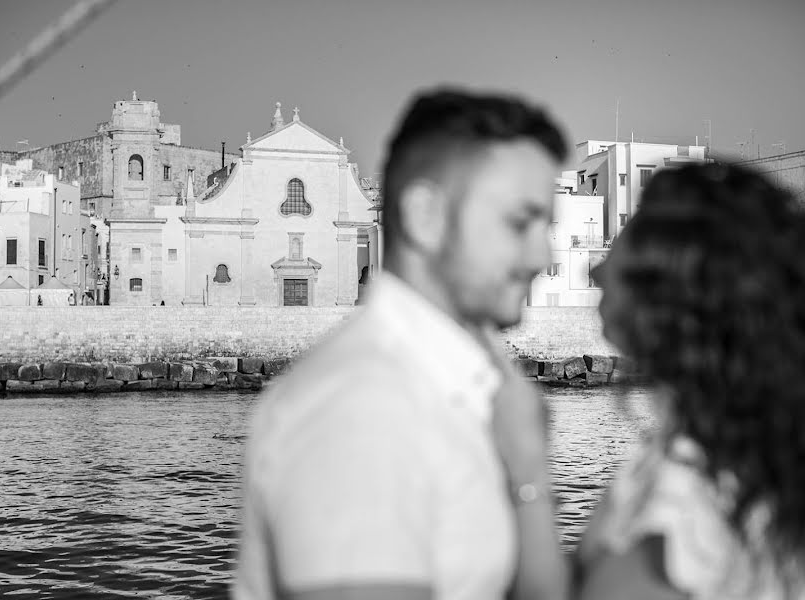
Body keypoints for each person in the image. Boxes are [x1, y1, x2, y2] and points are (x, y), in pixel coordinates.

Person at [233, 89, 571, 600]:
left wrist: (527, 475)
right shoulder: (362, 414)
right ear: (425, 216)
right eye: (520, 223)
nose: (542, 254)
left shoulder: (444, 387)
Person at [570, 164, 805, 599]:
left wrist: (527, 475)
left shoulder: (683, 508)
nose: (596, 270)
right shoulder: (789, 477)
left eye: (628, 244)